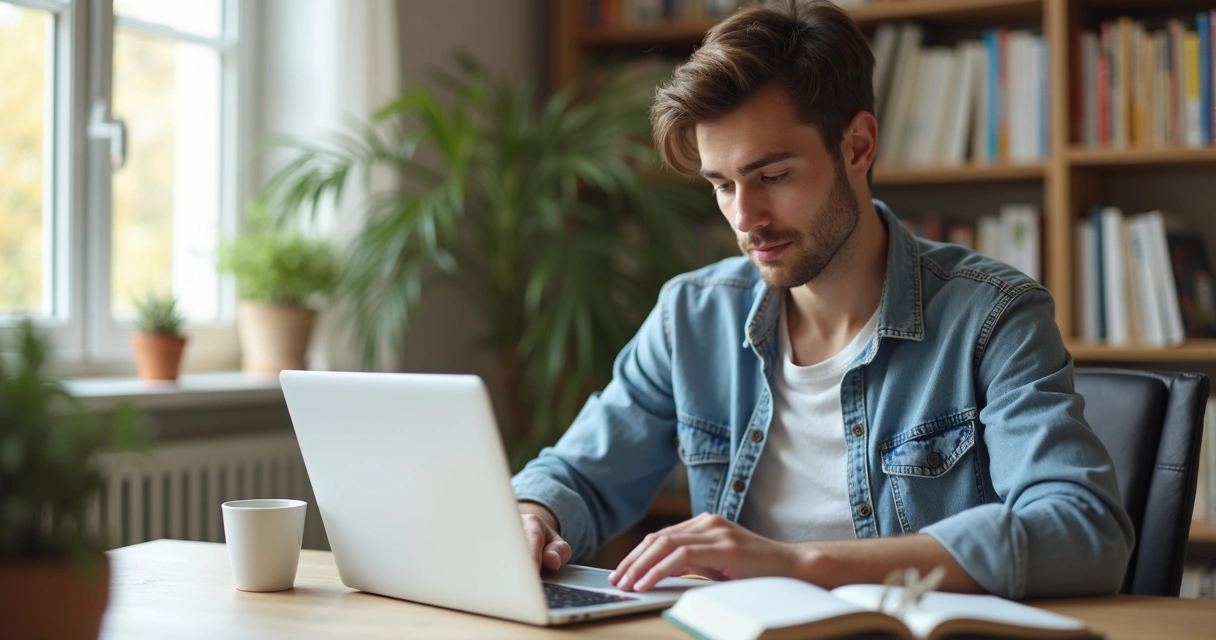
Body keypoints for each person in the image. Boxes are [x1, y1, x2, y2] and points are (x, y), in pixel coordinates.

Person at [511, 0, 1133, 599]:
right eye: (723, 186)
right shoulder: (692, 317)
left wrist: (802, 565)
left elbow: (1082, 527)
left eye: (772, 176)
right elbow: (578, 474)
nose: (745, 218)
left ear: (858, 147)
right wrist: (533, 515)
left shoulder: (993, 317)